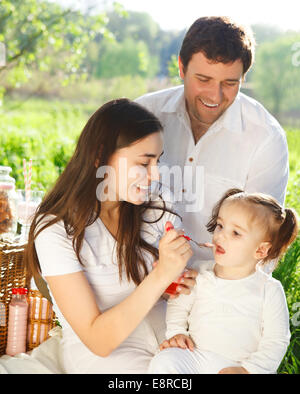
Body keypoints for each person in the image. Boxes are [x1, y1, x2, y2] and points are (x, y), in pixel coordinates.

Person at [25, 98, 198, 374]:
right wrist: (161, 275)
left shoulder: (155, 204)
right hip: (108, 359)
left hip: (171, 343)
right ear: (100, 156)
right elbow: (98, 340)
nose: (154, 175)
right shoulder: (55, 229)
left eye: (158, 161)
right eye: (144, 163)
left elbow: (165, 288)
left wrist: (175, 284)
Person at [135, 16, 289, 264]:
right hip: (139, 278)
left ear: (243, 78)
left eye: (230, 83)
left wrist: (206, 287)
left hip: (219, 290)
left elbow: (262, 245)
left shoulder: (265, 138)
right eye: (203, 80)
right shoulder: (143, 114)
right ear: (181, 67)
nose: (214, 96)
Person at [147, 188, 299, 374]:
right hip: (195, 356)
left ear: (260, 250)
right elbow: (178, 306)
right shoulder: (199, 272)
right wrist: (177, 333)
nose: (220, 235)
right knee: (165, 360)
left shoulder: (269, 290)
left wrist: (248, 370)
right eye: (220, 225)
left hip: (239, 365)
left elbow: (276, 341)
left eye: (236, 233)